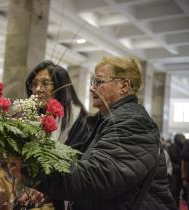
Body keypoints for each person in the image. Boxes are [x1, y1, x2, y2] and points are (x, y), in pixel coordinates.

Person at [12, 56, 177, 210]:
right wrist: (50, 191)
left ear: (124, 86)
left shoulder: (133, 123)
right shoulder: (108, 120)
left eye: (99, 81)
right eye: (93, 81)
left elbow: (96, 178)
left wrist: (33, 171)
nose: (91, 88)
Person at [14, 61, 89, 210]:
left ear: (60, 87)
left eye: (45, 83)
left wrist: (42, 188)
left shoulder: (80, 122)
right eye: (34, 84)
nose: (37, 89)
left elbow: (73, 168)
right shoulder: (36, 116)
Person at [168, 133, 186, 207]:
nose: (183, 140)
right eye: (182, 138)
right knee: (174, 191)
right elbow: (176, 158)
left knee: (177, 192)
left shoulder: (181, 146)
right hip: (174, 172)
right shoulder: (173, 147)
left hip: (178, 172)